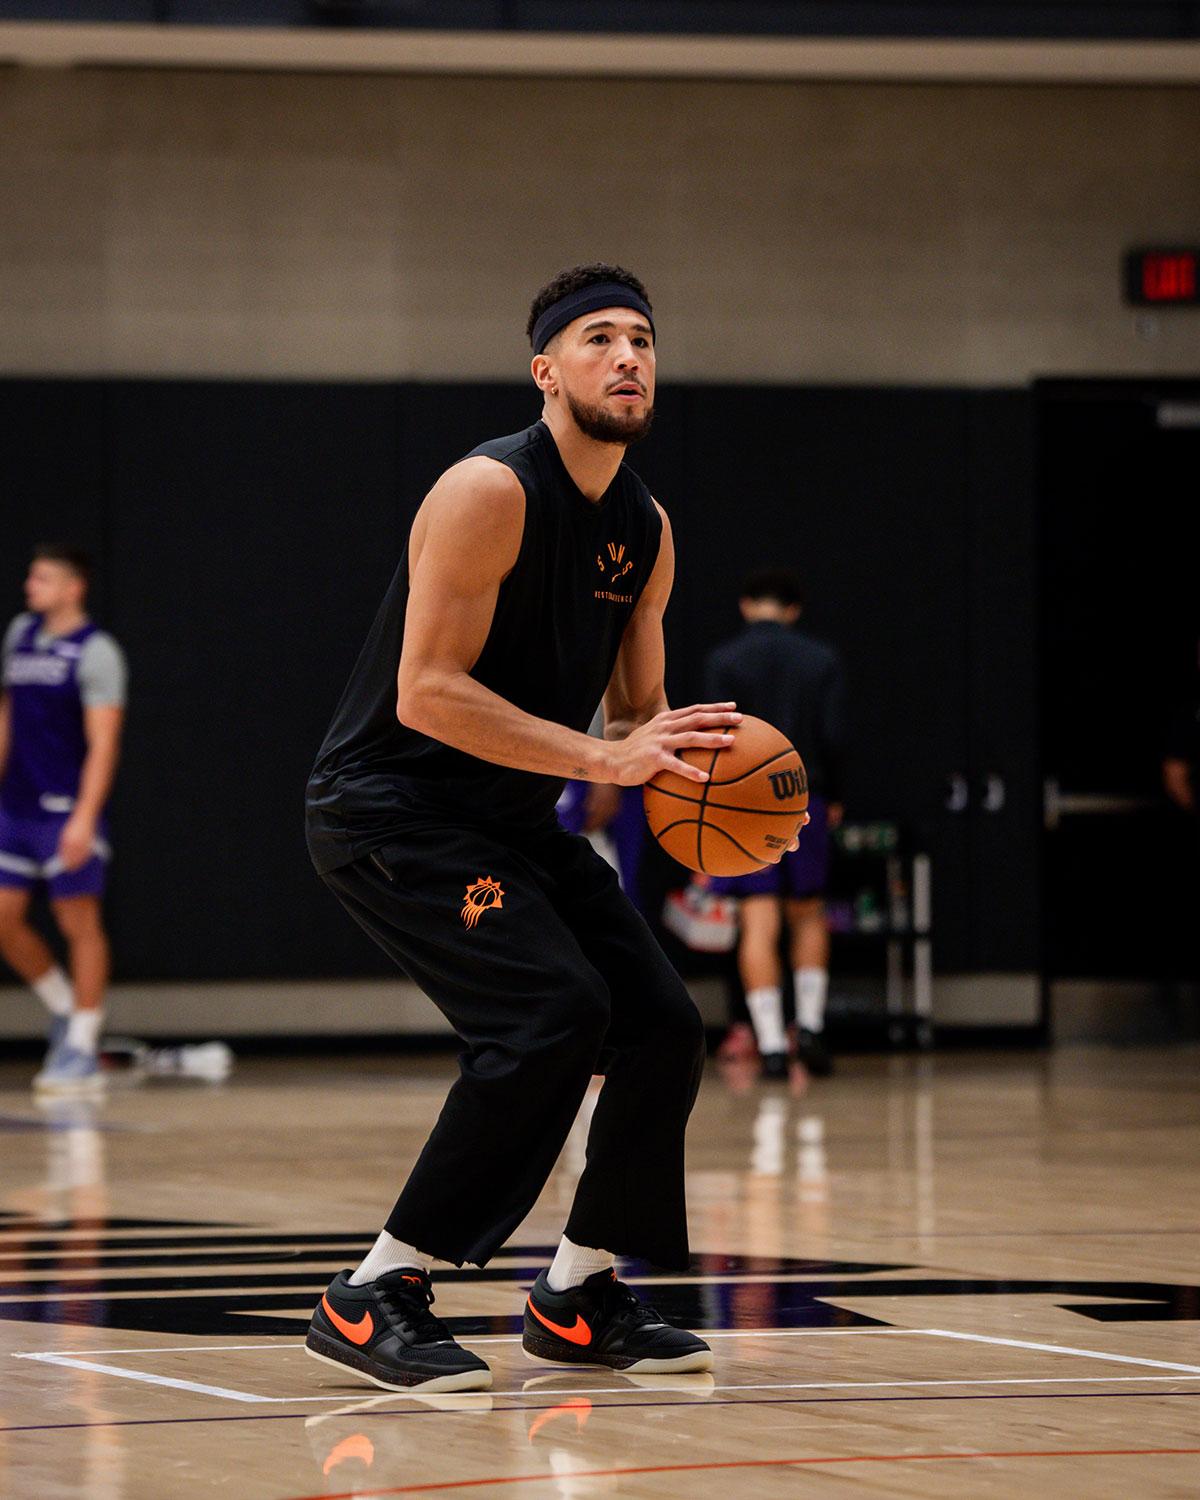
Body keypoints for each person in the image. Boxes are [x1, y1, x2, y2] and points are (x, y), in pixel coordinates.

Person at [305, 264, 797, 1394]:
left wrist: (727, 791)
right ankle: (373, 1292)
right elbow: (426, 691)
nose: (628, 357)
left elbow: (635, 718)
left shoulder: (646, 528)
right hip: (393, 810)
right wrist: (604, 759)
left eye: (642, 340)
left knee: (662, 1024)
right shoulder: (487, 491)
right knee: (551, 1014)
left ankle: (578, 1295)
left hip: (513, 817)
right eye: (598, 339)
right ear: (545, 371)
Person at [704, 570, 848, 1079]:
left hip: (744, 801)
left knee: (757, 920)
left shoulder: (724, 660)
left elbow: (717, 738)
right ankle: (808, 1029)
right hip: (805, 791)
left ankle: (768, 1045)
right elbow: (834, 734)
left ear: (746, 605)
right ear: (794, 608)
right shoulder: (821, 659)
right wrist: (835, 796)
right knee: (808, 913)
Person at [0, 546, 127, 1094]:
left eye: (42, 577)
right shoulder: (20, 634)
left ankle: (81, 1043)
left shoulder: (96, 651)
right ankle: (62, 1007)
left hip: (64, 810)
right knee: (2, 918)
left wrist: (84, 818)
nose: (30, 584)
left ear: (73, 588)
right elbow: (8, 715)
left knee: (78, 922)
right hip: (15, 806)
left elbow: (104, 742)